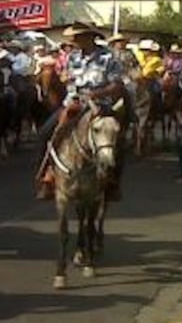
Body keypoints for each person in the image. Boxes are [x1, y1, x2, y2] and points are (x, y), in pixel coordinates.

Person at [33, 23, 124, 200]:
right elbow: (66, 78)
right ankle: (47, 177)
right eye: (75, 38)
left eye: (78, 37)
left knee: (117, 140)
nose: (75, 41)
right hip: (73, 103)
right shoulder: (72, 57)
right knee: (45, 133)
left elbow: (117, 85)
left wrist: (97, 93)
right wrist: (63, 79)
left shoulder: (108, 57)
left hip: (99, 105)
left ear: (90, 37)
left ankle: (113, 182)